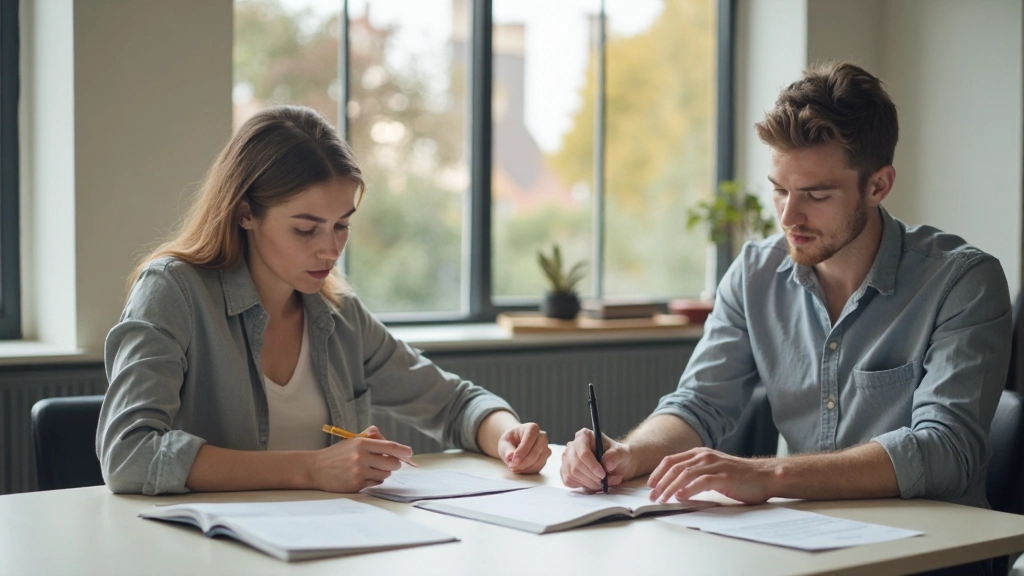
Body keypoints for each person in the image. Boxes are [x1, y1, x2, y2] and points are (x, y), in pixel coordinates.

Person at [561, 62, 1011, 511]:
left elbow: (947, 450)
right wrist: (629, 453)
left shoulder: (962, 282)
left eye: (815, 195)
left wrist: (768, 474)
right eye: (779, 190)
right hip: (805, 539)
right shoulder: (753, 274)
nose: (788, 217)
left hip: (936, 549)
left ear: (878, 185)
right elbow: (699, 405)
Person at [97, 105, 551, 495]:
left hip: (323, 543)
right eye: (306, 228)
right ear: (245, 213)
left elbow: (453, 403)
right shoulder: (173, 291)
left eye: (342, 225)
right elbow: (129, 453)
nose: (330, 250)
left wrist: (508, 434)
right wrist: (312, 468)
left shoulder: (338, 313)